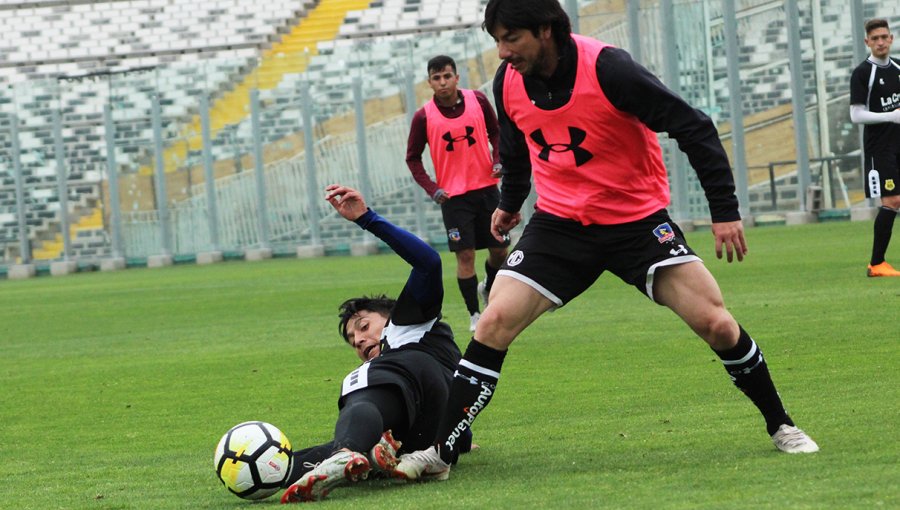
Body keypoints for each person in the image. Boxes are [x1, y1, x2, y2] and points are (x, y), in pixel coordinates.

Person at [393, 0, 819, 481]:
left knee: (717, 324)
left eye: (512, 38)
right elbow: (515, 151)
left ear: (547, 30)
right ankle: (441, 454)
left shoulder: (610, 68)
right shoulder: (507, 81)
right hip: (560, 225)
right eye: (496, 39)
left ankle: (782, 425)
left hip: (636, 222)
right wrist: (511, 204)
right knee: (492, 323)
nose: (503, 51)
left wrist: (724, 211)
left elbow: (692, 126)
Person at [280, 184, 473, 503]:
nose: (359, 340)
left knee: (359, 398)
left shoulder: (407, 323)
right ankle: (356, 457)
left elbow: (428, 263)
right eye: (353, 341)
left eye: (363, 326)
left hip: (413, 375)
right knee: (359, 438)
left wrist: (367, 218)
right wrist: (459, 440)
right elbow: (459, 427)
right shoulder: (433, 350)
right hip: (431, 428)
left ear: (392, 314)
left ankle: (349, 453)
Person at [406, 55, 510, 332]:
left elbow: (496, 132)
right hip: (454, 198)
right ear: (429, 82)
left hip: (488, 189)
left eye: (447, 76)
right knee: (465, 256)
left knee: (500, 249)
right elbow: (413, 158)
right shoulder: (423, 116)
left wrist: (498, 159)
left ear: (456, 77)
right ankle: (475, 314)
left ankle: (487, 285)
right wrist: (432, 188)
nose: (443, 82)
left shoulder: (478, 100)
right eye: (437, 78)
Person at [849, 18, 900, 277]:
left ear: (891, 38)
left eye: (884, 37)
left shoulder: (899, 67)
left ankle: (879, 263)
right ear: (867, 42)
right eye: (875, 38)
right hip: (881, 149)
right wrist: (890, 116)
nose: (880, 42)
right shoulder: (862, 73)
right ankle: (877, 263)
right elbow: (856, 115)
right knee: (892, 200)